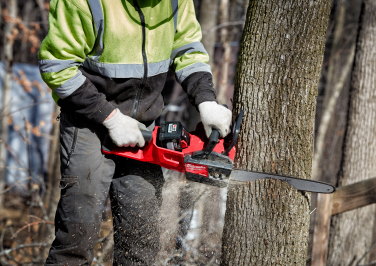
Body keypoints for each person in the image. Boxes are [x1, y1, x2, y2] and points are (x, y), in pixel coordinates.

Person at [38, 0, 232, 264]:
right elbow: (57, 68)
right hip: (88, 121)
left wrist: (206, 100)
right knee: (77, 234)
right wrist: (110, 118)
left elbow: (188, 49)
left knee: (141, 240)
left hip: (143, 126)